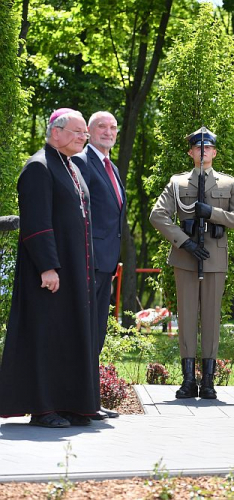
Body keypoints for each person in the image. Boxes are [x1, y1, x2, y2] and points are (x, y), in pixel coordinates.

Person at [0, 108, 99, 428]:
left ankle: (72, 404)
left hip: (72, 271)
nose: (83, 137)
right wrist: (48, 267)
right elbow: (36, 223)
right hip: (48, 274)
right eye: (77, 131)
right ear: (55, 132)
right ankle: (43, 408)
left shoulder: (70, 166)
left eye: (85, 132)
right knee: (46, 337)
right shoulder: (38, 168)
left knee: (67, 336)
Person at [150, 127, 234, 399]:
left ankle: (207, 381)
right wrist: (185, 241)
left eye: (208, 147)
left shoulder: (228, 184)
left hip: (214, 258)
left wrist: (214, 213)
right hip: (185, 256)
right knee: (186, 318)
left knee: (210, 319)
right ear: (191, 152)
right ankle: (187, 380)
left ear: (215, 152)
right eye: (198, 147)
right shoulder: (177, 183)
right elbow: (157, 216)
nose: (203, 150)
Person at [72, 111, 126, 420]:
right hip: (87, 262)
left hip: (105, 264)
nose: (108, 132)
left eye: (113, 127)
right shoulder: (81, 162)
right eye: (101, 127)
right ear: (90, 133)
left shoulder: (112, 168)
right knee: (85, 332)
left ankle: (89, 401)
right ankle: (80, 403)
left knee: (97, 333)